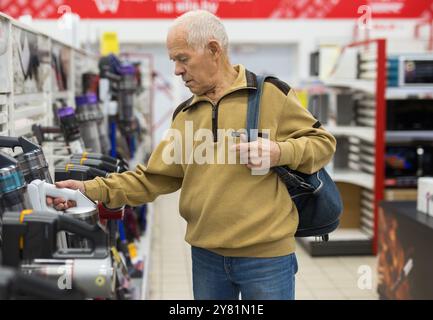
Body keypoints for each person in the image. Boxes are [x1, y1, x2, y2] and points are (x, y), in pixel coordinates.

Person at [49, 10, 336, 300]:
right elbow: (151, 179)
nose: (176, 70)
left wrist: (280, 151)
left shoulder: (269, 95)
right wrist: (87, 189)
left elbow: (323, 143)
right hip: (206, 258)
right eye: (174, 60)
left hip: (266, 259)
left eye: (182, 59)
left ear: (213, 50)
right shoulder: (185, 115)